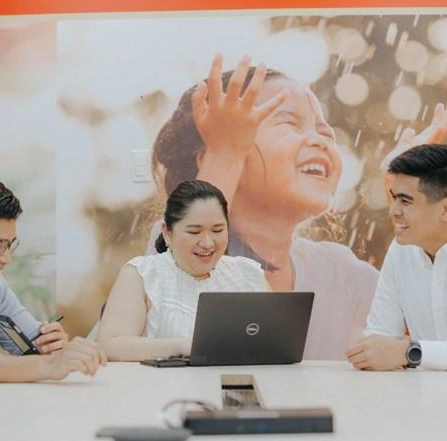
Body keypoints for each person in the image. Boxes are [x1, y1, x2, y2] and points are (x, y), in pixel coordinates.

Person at [150, 54, 447, 360]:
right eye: (289, 123)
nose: (320, 141)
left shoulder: (338, 271)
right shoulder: (171, 244)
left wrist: (416, 202)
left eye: (325, 132)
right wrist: (224, 156)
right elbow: (172, 292)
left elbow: (426, 335)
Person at [0, 173, 106, 388]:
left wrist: (48, 345)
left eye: (9, 246)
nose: (5, 259)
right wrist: (49, 365)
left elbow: (30, 342)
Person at [97, 180, 271, 361]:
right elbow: (110, 346)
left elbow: (278, 339)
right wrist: (182, 345)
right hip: (159, 387)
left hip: (233, 385)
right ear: (167, 233)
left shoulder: (247, 274)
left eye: (217, 230)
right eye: (194, 232)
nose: (207, 243)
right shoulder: (141, 274)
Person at [346, 144, 447, 371]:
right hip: (423, 400)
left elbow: (397, 351)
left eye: (405, 201)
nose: (393, 211)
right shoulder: (401, 250)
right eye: (393, 199)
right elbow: (380, 335)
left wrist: (408, 352)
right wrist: (371, 353)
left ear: (445, 210)